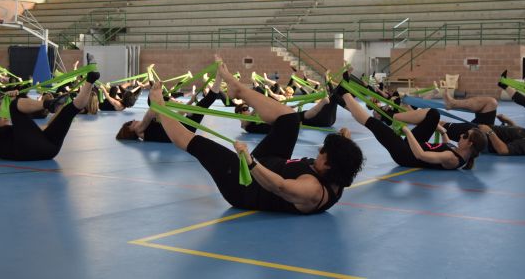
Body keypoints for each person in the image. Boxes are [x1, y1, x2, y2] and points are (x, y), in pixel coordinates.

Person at [149, 57, 364, 214]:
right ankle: (238, 90)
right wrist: (345, 141)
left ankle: (159, 107)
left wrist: (251, 162)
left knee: (200, 144)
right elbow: (347, 160)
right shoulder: (338, 171)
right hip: (272, 161)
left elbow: (278, 186)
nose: (318, 151)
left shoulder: (313, 191)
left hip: (245, 185)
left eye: (323, 153)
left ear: (328, 166)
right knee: (290, 120)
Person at [338, 80, 485, 170]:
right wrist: (443, 132)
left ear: (470, 144)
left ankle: (344, 93)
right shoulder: (459, 152)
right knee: (434, 114)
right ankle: (391, 117)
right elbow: (445, 146)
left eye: (465, 136)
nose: (461, 135)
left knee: (374, 124)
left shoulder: (452, 159)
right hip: (416, 144)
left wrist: (406, 131)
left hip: (406, 155)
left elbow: (421, 155)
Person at [0, 71, 100, 161]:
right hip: (31, 150)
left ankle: (90, 80)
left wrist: (60, 111)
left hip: (50, 150)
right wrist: (5, 102)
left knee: (69, 111)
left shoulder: (15, 130)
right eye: (3, 116)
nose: (6, 117)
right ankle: (48, 104)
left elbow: (48, 125)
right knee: (13, 105)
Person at [116, 71, 223, 142]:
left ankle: (219, 76)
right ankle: (219, 76)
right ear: (130, 131)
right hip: (182, 133)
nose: (133, 120)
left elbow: (174, 119)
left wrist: (190, 103)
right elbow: (151, 111)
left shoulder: (148, 127)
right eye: (130, 123)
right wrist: (156, 97)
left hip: (183, 129)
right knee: (205, 102)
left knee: (206, 102)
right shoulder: (140, 131)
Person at [440, 89, 525, 156]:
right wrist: (509, 122)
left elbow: (503, 150)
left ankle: (425, 118)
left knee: (441, 125)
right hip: (488, 128)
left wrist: (490, 132)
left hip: (482, 137)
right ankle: (452, 103)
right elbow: (517, 135)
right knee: (491, 102)